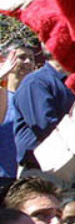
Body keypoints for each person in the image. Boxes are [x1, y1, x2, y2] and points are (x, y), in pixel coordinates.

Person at [14, 47, 75, 169]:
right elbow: (45, 126)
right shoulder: (36, 82)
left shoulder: (70, 82)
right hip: (41, 167)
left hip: (67, 163)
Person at [0, 40, 35, 186]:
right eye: (21, 57)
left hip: (27, 177)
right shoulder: (3, 94)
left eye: (31, 58)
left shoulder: (35, 97)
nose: (28, 62)